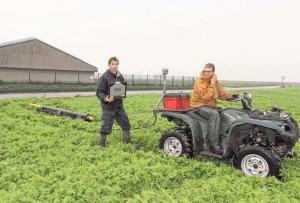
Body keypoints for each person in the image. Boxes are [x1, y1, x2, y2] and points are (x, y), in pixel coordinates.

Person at [190, 63, 237, 155]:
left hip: (210, 106)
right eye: (205, 71)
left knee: (226, 112)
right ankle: (213, 145)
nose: (207, 73)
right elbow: (206, 97)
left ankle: (224, 138)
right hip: (199, 105)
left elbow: (221, 93)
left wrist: (232, 97)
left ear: (213, 72)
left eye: (209, 71)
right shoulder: (200, 82)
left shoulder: (215, 82)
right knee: (214, 115)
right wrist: (212, 83)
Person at [96, 56, 134, 147]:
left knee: (126, 123)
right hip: (108, 107)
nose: (114, 66)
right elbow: (99, 92)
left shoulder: (120, 76)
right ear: (109, 65)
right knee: (106, 127)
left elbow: (122, 87)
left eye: (116, 64)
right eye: (112, 64)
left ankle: (127, 143)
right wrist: (106, 98)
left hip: (119, 106)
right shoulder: (104, 77)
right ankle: (101, 146)